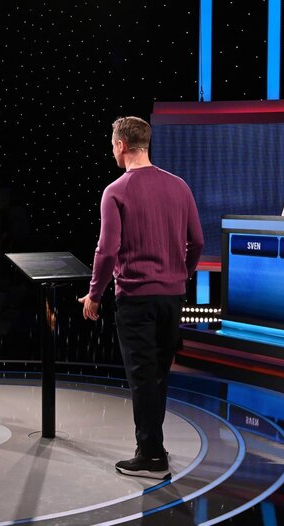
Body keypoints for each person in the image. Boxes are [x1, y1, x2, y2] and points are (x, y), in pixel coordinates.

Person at [79, 116, 203, 480]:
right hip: (172, 297)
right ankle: (154, 446)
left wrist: (94, 295)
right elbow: (197, 242)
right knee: (159, 375)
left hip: (136, 297)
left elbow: (106, 251)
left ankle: (150, 456)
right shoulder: (179, 186)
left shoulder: (115, 190)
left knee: (142, 377)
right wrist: (181, 274)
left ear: (120, 145)